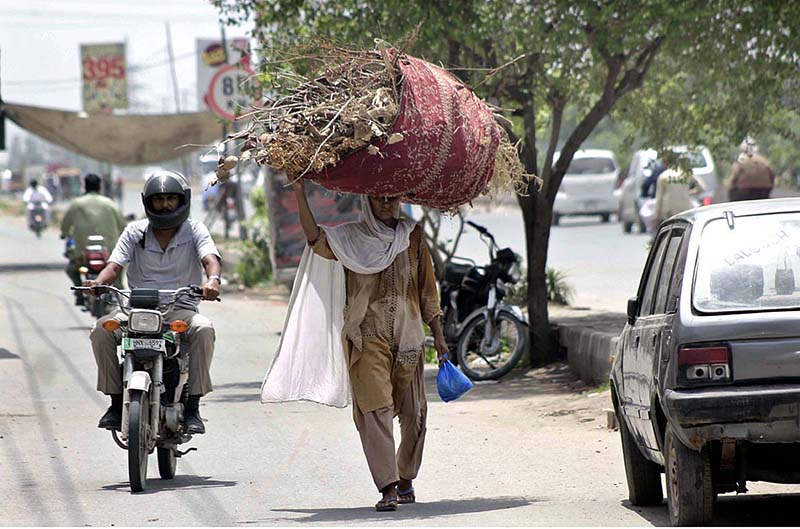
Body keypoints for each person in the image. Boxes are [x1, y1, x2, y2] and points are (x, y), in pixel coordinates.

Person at [291, 178, 448, 512]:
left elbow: (427, 291)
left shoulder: (413, 236)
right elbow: (314, 237)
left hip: (408, 339)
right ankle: (388, 486)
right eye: (379, 198)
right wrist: (299, 192)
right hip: (366, 336)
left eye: (392, 197)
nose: (386, 204)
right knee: (375, 411)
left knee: (415, 414)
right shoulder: (351, 238)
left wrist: (441, 337)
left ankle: (406, 476)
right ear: (368, 201)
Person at [85, 170, 221, 434]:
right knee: (101, 330)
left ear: (183, 201)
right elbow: (114, 266)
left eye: (171, 199)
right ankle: (115, 403)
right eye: (159, 200)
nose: (166, 205)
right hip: (137, 308)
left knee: (203, 329)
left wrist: (213, 280)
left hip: (180, 309)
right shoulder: (134, 231)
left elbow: (210, 259)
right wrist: (99, 283)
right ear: (148, 202)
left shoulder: (195, 230)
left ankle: (193, 406)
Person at [60, 173, 127, 306]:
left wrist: (64, 234)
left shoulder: (76, 204)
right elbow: (122, 226)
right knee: (118, 275)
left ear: (84, 186)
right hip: (109, 252)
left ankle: (80, 292)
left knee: (71, 269)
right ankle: (123, 303)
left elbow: (65, 225)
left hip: (83, 253)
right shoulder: (109, 203)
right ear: (100, 186)